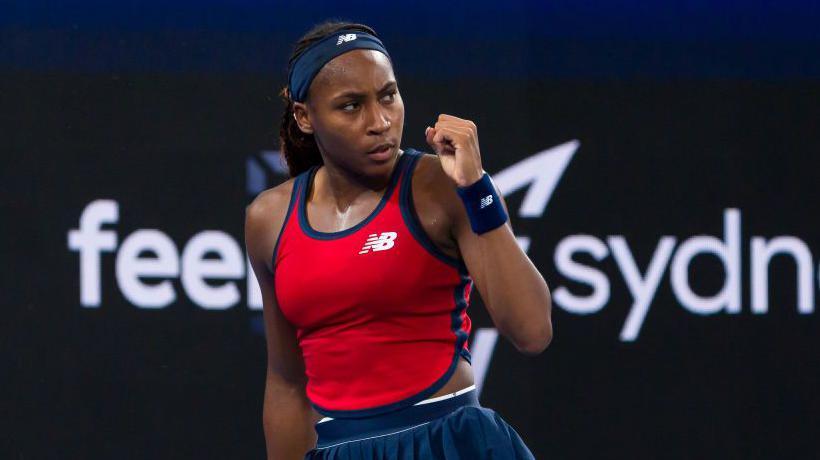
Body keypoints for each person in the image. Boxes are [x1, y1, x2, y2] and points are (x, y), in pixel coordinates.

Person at [245, 20, 552, 459]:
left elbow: (532, 331)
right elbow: (287, 383)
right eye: (351, 106)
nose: (380, 121)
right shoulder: (267, 219)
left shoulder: (443, 186)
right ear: (304, 117)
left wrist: (476, 188)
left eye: (387, 95)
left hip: (452, 444)